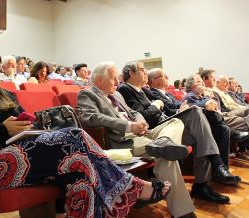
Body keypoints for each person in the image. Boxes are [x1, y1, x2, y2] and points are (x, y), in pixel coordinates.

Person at [0, 47, 171, 217]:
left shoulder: (7, 97)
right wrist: (1, 129)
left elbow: (29, 122)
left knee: (80, 175)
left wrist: (31, 125)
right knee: (74, 135)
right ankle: (130, 186)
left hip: (27, 155)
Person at [77, 61, 197, 218]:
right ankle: (184, 212)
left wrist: (141, 122)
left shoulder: (117, 94)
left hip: (142, 132)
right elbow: (90, 118)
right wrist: (128, 126)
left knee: (175, 122)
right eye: (113, 78)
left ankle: (164, 141)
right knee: (166, 155)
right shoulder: (87, 94)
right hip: (123, 139)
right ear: (99, 80)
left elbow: (133, 111)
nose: (117, 82)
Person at [121, 64, 240, 203]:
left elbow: (168, 108)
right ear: (131, 73)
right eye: (142, 70)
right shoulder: (125, 89)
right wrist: (156, 105)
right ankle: (217, 163)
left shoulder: (144, 91)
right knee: (196, 113)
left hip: (168, 123)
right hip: (157, 130)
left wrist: (180, 109)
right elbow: (144, 116)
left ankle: (202, 185)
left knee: (200, 134)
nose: (146, 72)